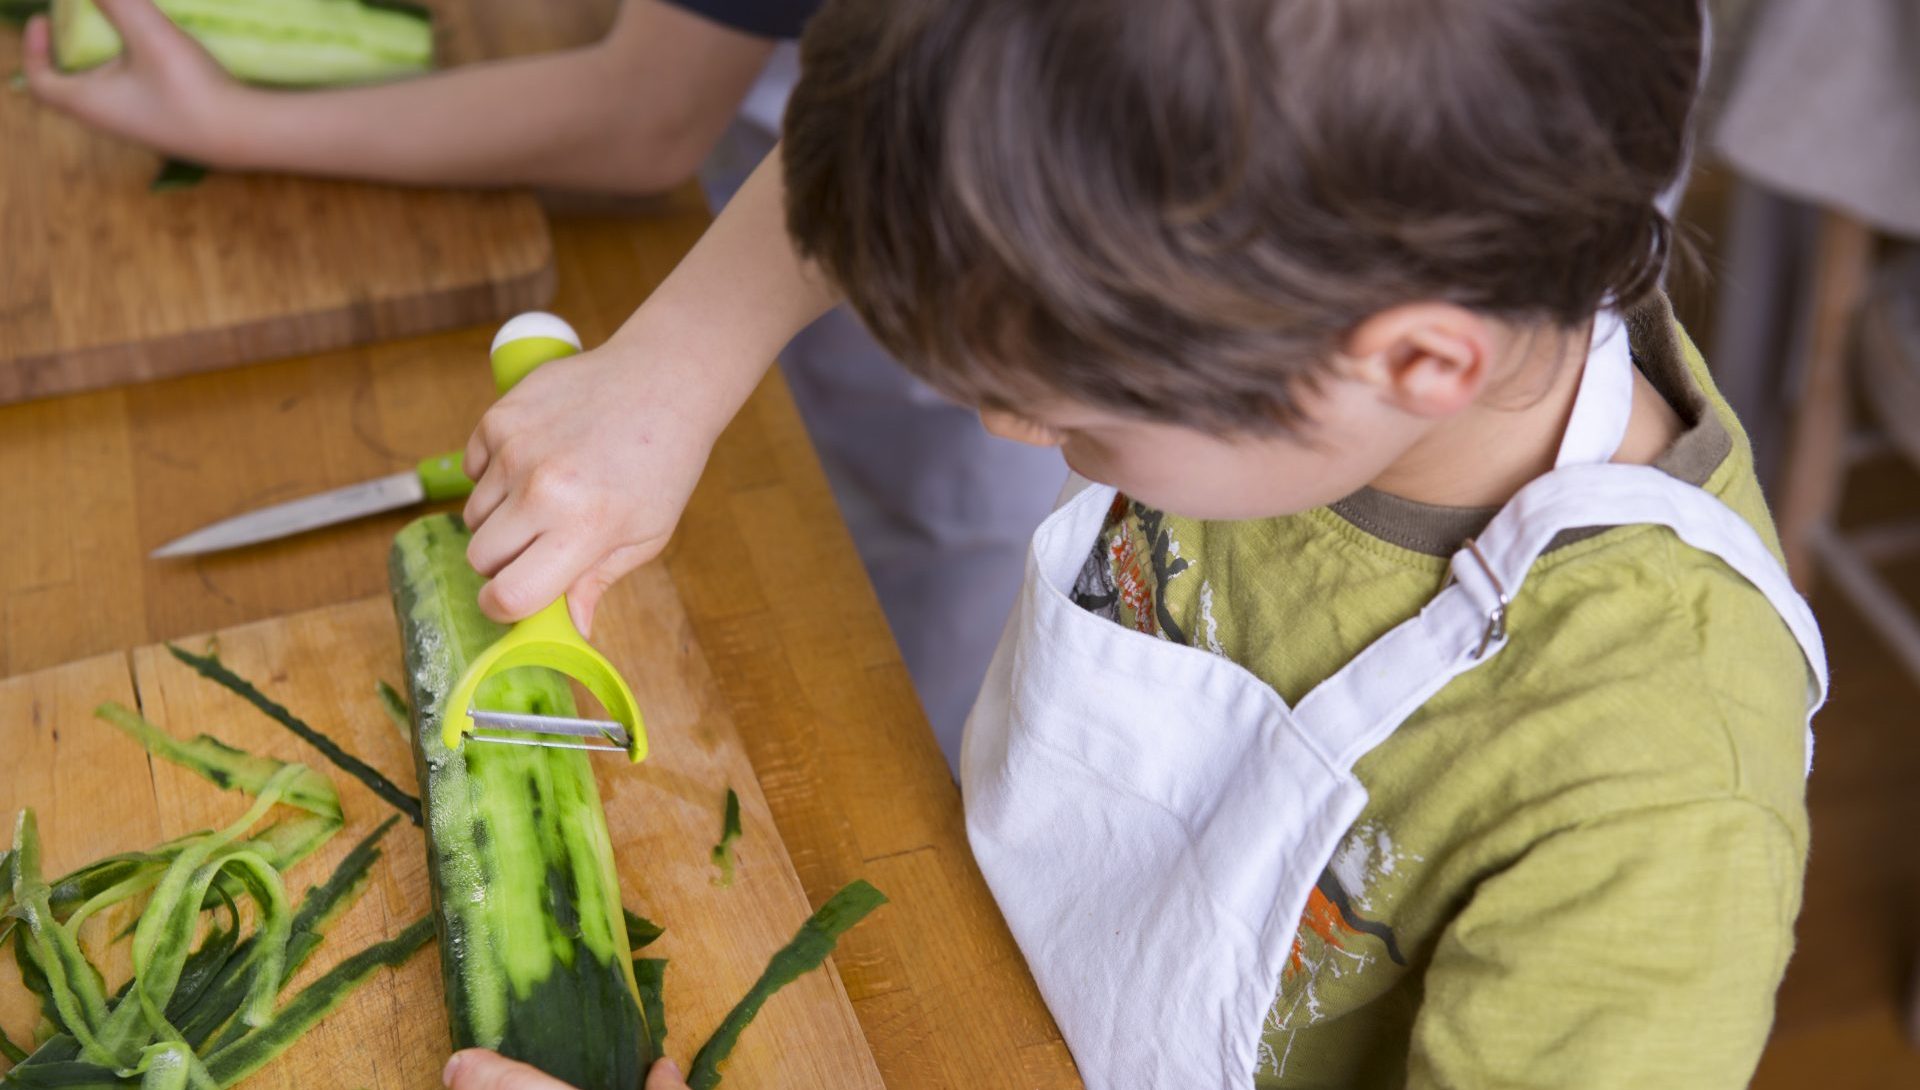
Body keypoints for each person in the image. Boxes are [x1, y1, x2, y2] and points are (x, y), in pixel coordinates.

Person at [451, 0, 1829, 1085]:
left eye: (1073, 408)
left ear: (1412, 361)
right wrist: (678, 363)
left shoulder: (1653, 795)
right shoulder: (1320, 301)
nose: (1001, 423)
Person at [20, 0, 1066, 768]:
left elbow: (657, 111)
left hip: (1007, 295)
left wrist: (678, 361)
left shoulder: (1069, 365)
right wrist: (681, 363)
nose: (1016, 421)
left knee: (914, 697)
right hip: (820, 208)